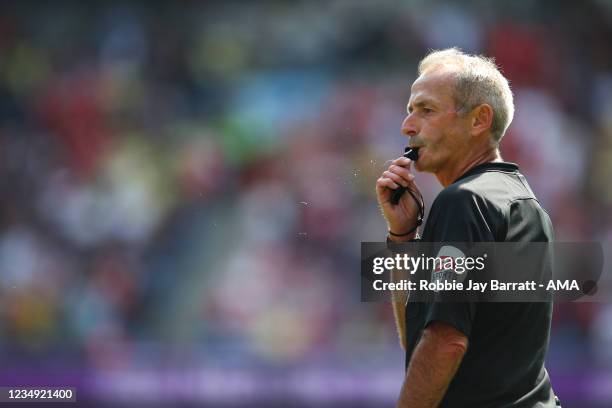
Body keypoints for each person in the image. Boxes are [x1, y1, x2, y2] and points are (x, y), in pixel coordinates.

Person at [375, 48, 560, 407]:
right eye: (410, 110)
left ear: (479, 120)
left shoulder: (463, 201)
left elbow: (445, 341)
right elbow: (419, 336)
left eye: (426, 110)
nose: (407, 126)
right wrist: (403, 237)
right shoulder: (523, 201)